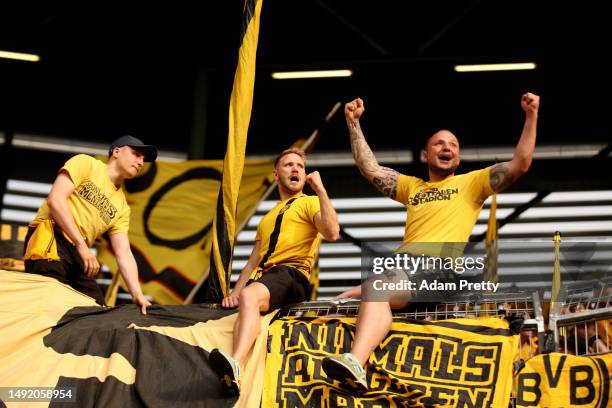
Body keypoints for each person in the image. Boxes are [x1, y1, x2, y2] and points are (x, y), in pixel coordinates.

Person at [322, 93, 540, 392]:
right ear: (426, 155)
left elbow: (521, 163)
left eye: (452, 144)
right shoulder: (412, 186)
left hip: (439, 269)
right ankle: (357, 361)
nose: (446, 147)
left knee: (376, 287)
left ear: (458, 158)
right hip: (402, 269)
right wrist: (353, 123)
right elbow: (369, 168)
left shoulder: (471, 183)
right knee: (352, 296)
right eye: (439, 143)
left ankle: (356, 361)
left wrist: (531, 115)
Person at [209, 147, 340, 396]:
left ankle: (235, 362)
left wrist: (320, 190)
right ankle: (235, 378)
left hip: (291, 275)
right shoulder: (266, 218)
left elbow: (332, 232)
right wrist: (234, 293)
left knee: (250, 297)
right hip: (265, 279)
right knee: (244, 302)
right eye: (289, 165)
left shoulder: (310, 202)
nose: (296, 169)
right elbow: (252, 262)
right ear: (276, 174)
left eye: (300, 166)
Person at [23, 135, 156, 314]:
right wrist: (82, 246)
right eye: (135, 154)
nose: (141, 162)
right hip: (52, 237)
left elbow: (123, 252)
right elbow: (56, 200)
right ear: (116, 152)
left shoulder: (122, 206)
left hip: (79, 251)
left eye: (143, 159)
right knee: (48, 304)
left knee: (96, 311)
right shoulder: (86, 163)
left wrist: (137, 293)